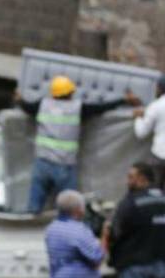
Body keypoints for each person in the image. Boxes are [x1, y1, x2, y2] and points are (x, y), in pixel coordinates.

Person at [14, 75, 132, 212]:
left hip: (42, 163)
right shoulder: (77, 108)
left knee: (34, 207)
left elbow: (27, 107)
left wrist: (19, 99)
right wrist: (123, 100)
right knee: (70, 208)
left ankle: (30, 223)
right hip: (64, 165)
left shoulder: (43, 105)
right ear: (69, 93)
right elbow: (100, 108)